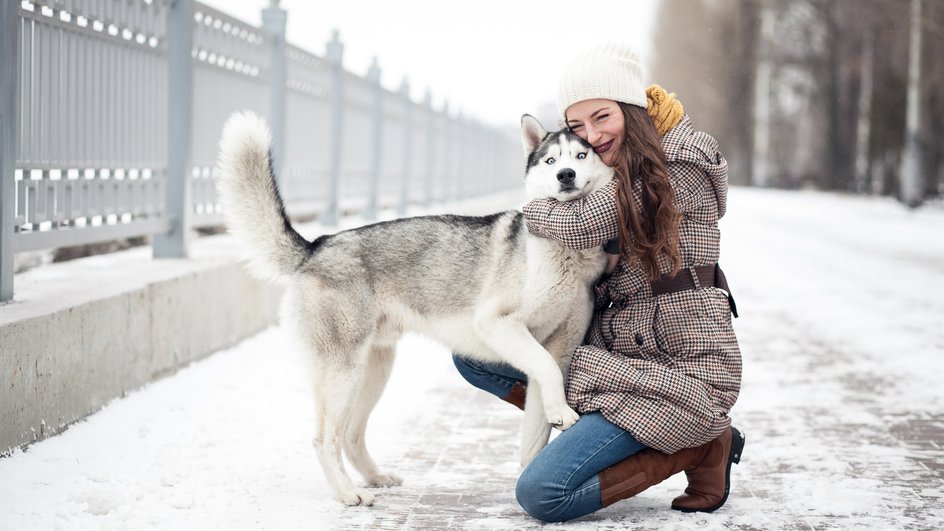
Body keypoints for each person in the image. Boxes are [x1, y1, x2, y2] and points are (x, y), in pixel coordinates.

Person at [452, 42, 743, 523]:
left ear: (630, 106)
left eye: (602, 116)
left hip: (683, 372)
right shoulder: (612, 167)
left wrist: (533, 200)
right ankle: (589, 424)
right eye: (578, 125)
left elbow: (582, 223)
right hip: (618, 354)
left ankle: (700, 444)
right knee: (477, 355)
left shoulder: (681, 164)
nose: (591, 135)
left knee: (544, 495)